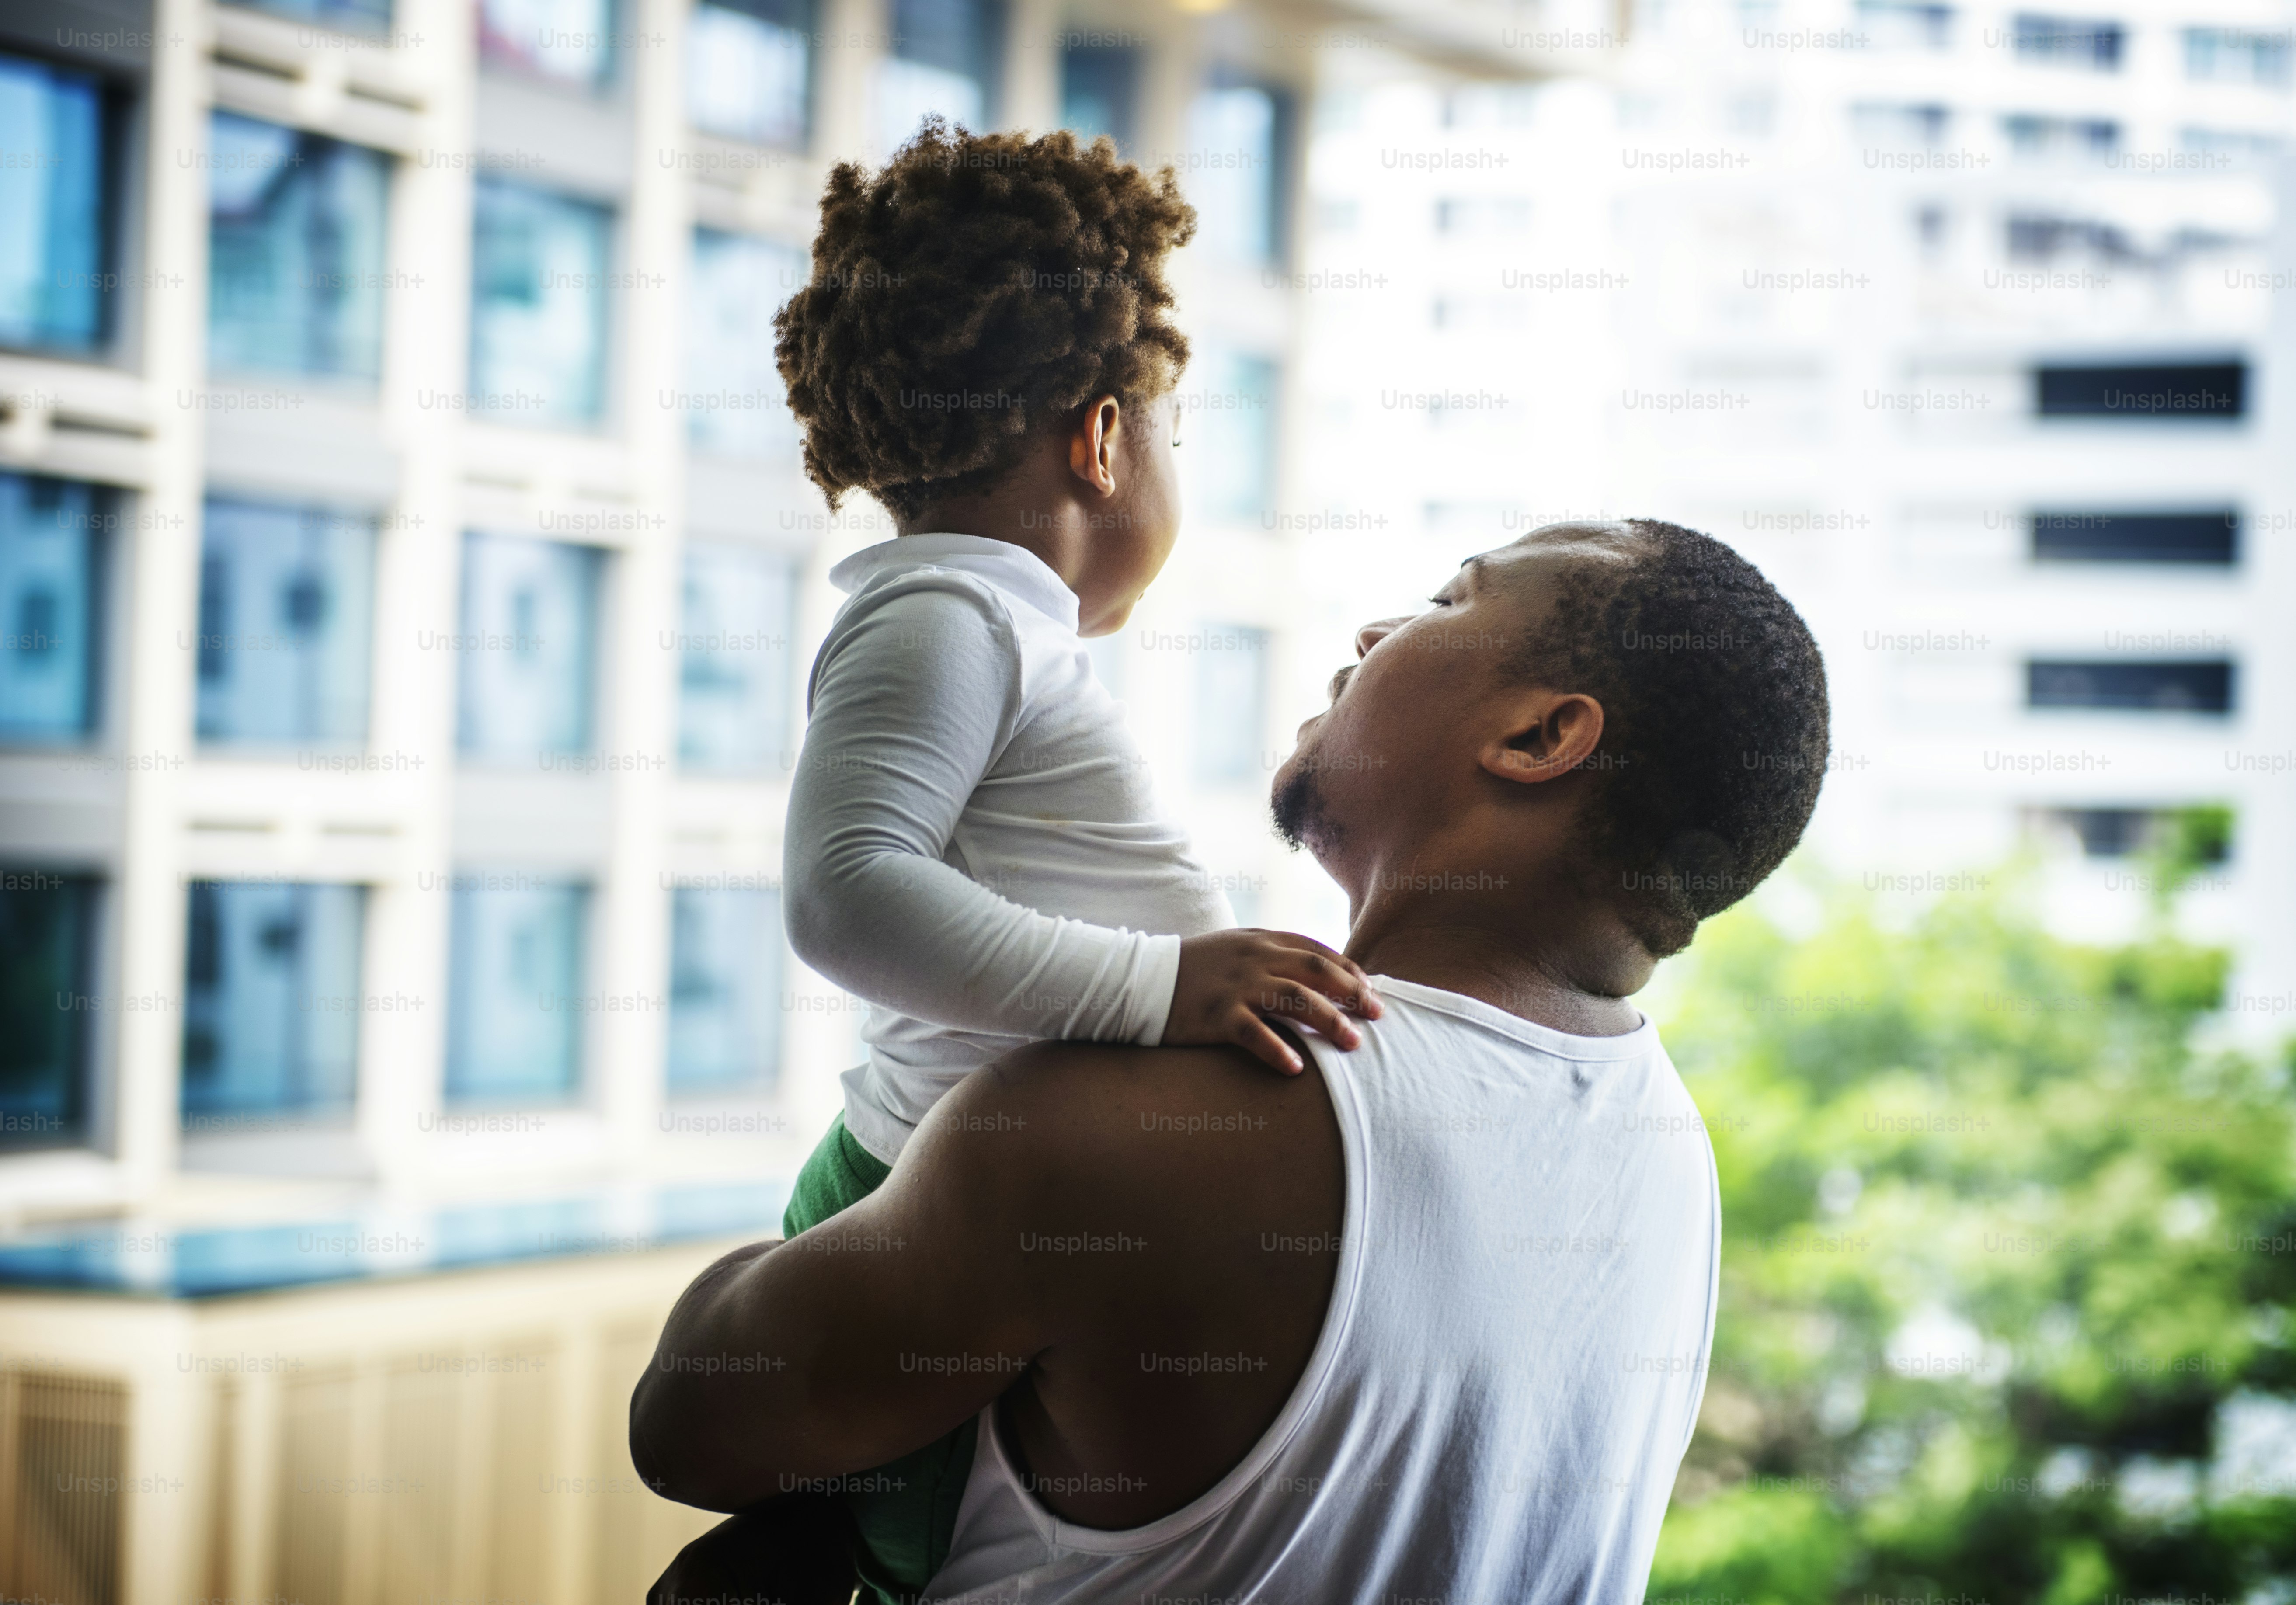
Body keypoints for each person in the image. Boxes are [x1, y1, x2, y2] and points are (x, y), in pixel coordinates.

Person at [633, 518, 1833, 1604]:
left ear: (1537, 737)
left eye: (1446, 600)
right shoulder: (1673, 1166)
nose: (1373, 633)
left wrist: (911, 1124)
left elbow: (689, 1426)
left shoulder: (1166, 1124)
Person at [768, 119, 1381, 1600]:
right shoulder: (948, 616)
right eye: (1172, 434)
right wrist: (1159, 989)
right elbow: (843, 891)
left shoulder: (987, 624)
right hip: (907, 1211)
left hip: (953, 1212)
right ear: (1102, 441)